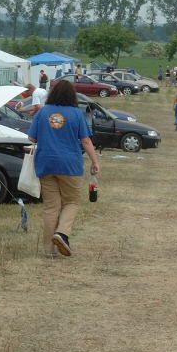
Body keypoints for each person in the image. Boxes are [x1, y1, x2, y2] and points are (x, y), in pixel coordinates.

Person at [27, 80, 100, 257]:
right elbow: (85, 140)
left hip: (45, 163)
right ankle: (62, 233)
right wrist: (95, 161)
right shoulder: (76, 114)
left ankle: (48, 250)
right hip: (70, 165)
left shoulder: (43, 111)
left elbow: (32, 138)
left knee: (51, 207)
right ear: (71, 96)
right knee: (72, 202)